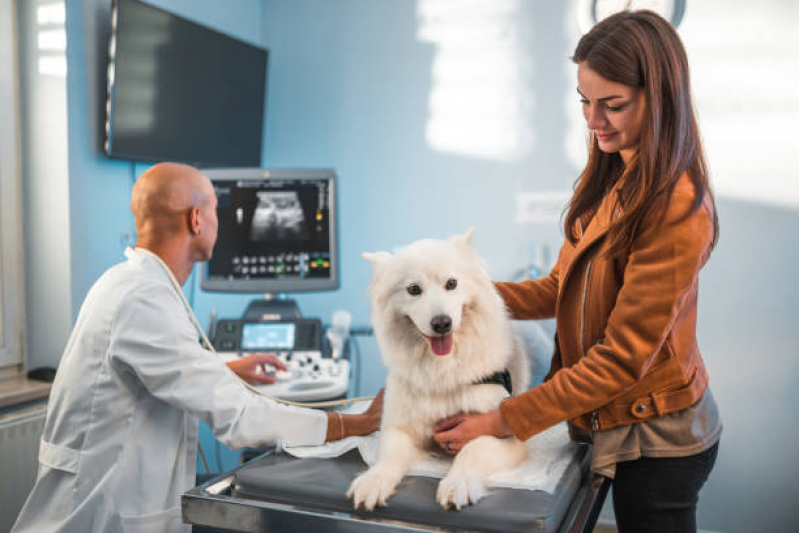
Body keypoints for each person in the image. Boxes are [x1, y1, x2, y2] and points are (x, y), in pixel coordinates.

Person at [433, 10, 721, 533]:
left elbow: (620, 359)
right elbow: (557, 288)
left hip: (658, 439)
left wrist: (504, 419)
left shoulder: (675, 208)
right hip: (613, 419)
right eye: (585, 102)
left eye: (612, 106)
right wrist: (459, 293)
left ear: (660, 99)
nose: (594, 121)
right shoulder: (614, 174)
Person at [12, 162, 383, 533]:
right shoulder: (144, 299)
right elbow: (239, 418)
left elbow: (160, 372)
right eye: (214, 211)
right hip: (101, 516)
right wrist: (351, 423)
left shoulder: (127, 283)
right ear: (196, 220)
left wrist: (227, 369)